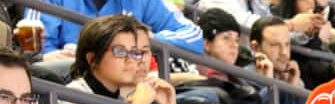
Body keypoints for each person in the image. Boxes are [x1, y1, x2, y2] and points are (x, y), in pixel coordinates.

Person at [24, 0, 203, 59]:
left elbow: (195, 37)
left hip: (128, 84)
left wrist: (145, 40)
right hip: (70, 78)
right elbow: (35, 48)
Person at [249, 16, 305, 104]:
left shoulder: (292, 77)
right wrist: (269, 84)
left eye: (287, 44)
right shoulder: (243, 77)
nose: (284, 52)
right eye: (275, 45)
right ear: (255, 47)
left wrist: (293, 88)